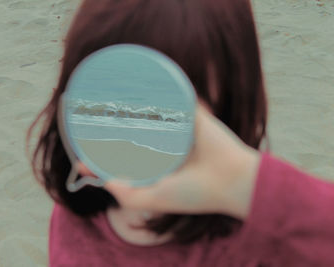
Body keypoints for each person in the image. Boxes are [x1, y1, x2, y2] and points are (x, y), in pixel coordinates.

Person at [25, 0, 334, 266]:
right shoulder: (75, 216)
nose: (136, 124)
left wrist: (245, 184)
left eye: (168, 111)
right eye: (109, 105)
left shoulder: (262, 237)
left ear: (227, 108)